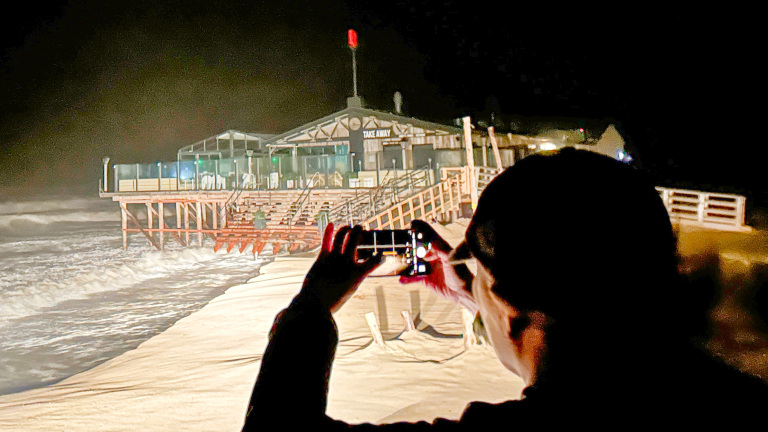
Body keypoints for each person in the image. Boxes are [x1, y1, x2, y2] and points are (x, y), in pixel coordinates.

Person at [242, 148, 768, 430]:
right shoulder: (723, 392)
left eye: (483, 274)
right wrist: (475, 292)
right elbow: (569, 306)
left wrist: (311, 305)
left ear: (516, 311)